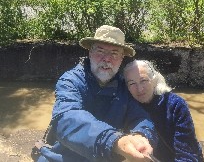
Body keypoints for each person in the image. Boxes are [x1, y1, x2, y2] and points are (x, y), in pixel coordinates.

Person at [35, 25, 158, 162]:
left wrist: (142, 136)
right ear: (90, 52)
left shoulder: (124, 86)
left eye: (114, 53)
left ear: (122, 58)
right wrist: (115, 141)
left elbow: (140, 117)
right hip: (63, 157)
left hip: (105, 156)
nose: (107, 59)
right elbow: (67, 119)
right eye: (100, 51)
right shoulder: (70, 80)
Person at [123, 60, 204, 162]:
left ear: (154, 80)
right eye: (132, 83)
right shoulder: (126, 108)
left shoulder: (175, 105)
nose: (139, 89)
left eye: (143, 80)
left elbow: (186, 152)